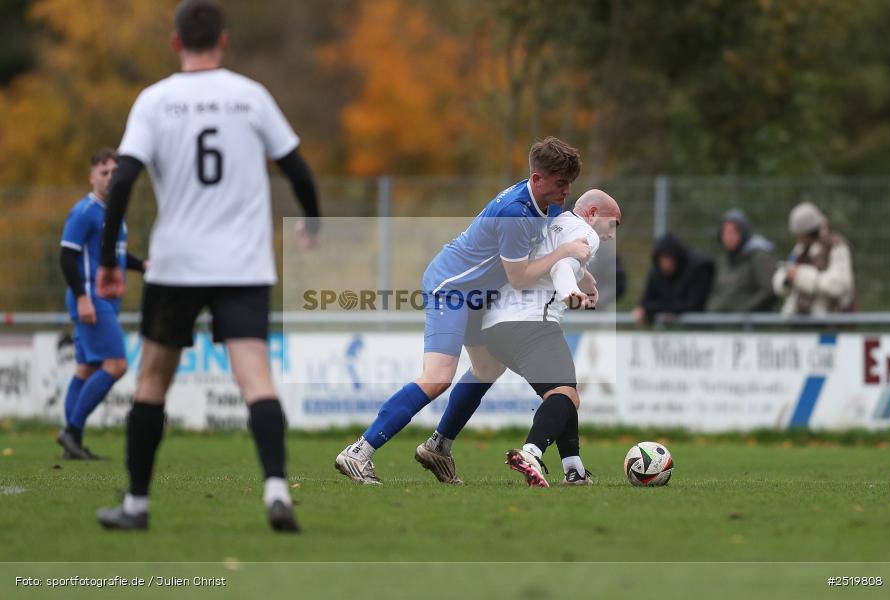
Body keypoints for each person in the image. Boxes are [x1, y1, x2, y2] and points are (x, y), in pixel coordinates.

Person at [94, 0, 320, 533]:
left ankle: (137, 505)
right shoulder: (250, 96)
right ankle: (276, 490)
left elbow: (122, 180)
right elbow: (298, 169)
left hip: (176, 264)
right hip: (243, 264)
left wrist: (108, 260)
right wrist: (313, 222)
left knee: (153, 381)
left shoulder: (155, 100)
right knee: (256, 379)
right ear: (223, 40)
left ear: (176, 42)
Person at [335, 137, 591, 485]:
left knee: (488, 367)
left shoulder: (546, 205)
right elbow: (519, 277)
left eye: (570, 183)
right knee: (438, 376)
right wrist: (565, 252)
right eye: (561, 183)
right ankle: (358, 452)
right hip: (451, 289)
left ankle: (438, 447)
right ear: (537, 178)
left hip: (477, 294)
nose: (567, 191)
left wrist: (583, 277)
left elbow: (544, 253)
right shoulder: (515, 212)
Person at [482, 190, 621, 487]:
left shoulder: (554, 222)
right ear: (593, 213)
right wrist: (571, 290)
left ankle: (574, 470)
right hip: (532, 322)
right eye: (613, 224)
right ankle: (531, 453)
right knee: (565, 394)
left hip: (495, 325)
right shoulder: (586, 232)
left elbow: (548, 257)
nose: (611, 234)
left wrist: (585, 276)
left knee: (564, 393)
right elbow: (561, 265)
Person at [57, 148, 147, 460]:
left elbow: (115, 256)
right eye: (104, 172)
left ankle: (73, 442)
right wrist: (83, 298)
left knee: (87, 368)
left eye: (114, 172)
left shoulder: (113, 214)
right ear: (92, 177)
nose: (110, 178)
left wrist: (142, 265)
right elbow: (67, 257)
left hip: (104, 299)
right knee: (116, 365)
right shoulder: (85, 211)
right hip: (91, 298)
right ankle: (71, 432)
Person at [772, 202, 855, 316]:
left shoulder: (836, 247)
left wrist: (799, 276)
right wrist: (787, 280)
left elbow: (838, 285)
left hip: (832, 319)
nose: (797, 238)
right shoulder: (800, 249)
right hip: (801, 318)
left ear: (807, 232)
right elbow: (783, 275)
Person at [631, 233, 713, 326]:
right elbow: (645, 301)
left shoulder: (698, 268)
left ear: (677, 258)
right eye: (662, 259)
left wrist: (662, 309)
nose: (666, 264)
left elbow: (694, 304)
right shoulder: (656, 271)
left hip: (701, 326)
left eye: (668, 258)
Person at [706, 208, 777, 313]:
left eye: (733, 232)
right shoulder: (722, 261)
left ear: (743, 232)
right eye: (725, 232)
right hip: (719, 320)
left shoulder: (759, 257)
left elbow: (770, 290)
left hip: (750, 321)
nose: (728, 236)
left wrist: (743, 310)